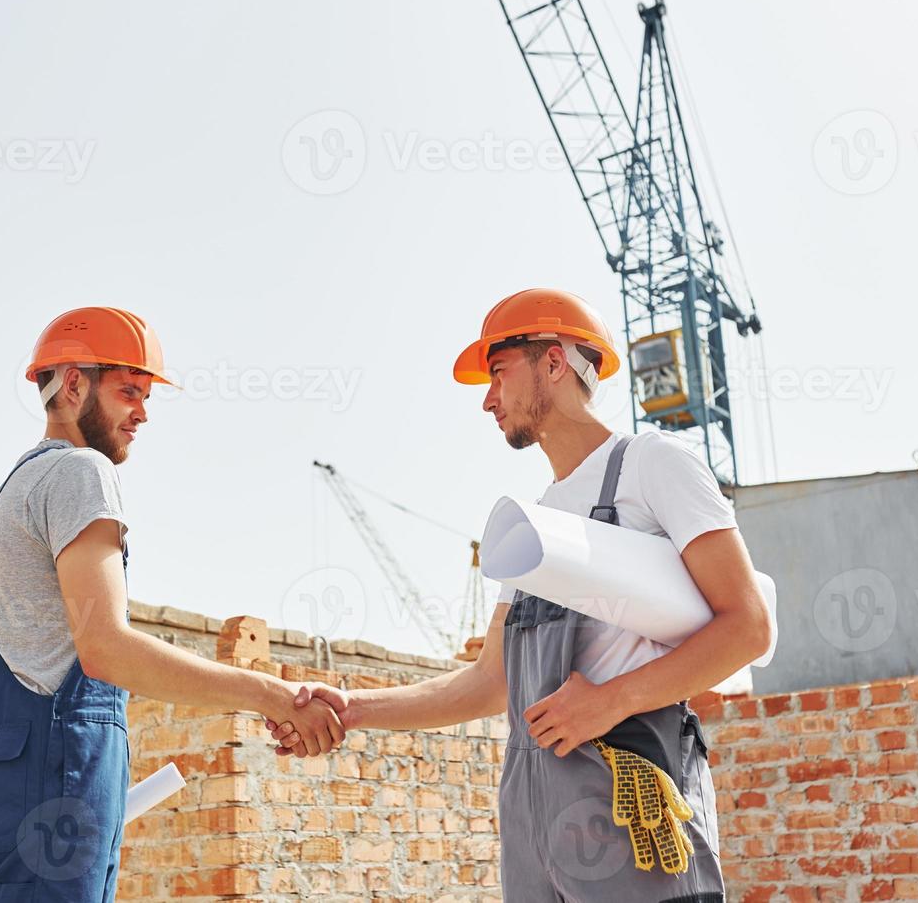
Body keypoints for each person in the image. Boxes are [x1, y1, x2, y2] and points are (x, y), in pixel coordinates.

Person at [267, 288, 772, 901]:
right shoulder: (534, 528)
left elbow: (747, 626)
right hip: (535, 822)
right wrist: (351, 706)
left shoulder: (655, 466)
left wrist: (610, 702)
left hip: (630, 797)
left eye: (498, 373)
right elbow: (487, 684)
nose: (487, 400)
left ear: (554, 363)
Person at [0, 306, 347, 901]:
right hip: (60, 793)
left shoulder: (4, 501)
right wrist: (270, 695)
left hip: (5, 801)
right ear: (74, 383)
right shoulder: (81, 472)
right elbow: (106, 648)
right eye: (129, 392)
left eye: (147, 396)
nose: (142, 412)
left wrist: (20, 776)